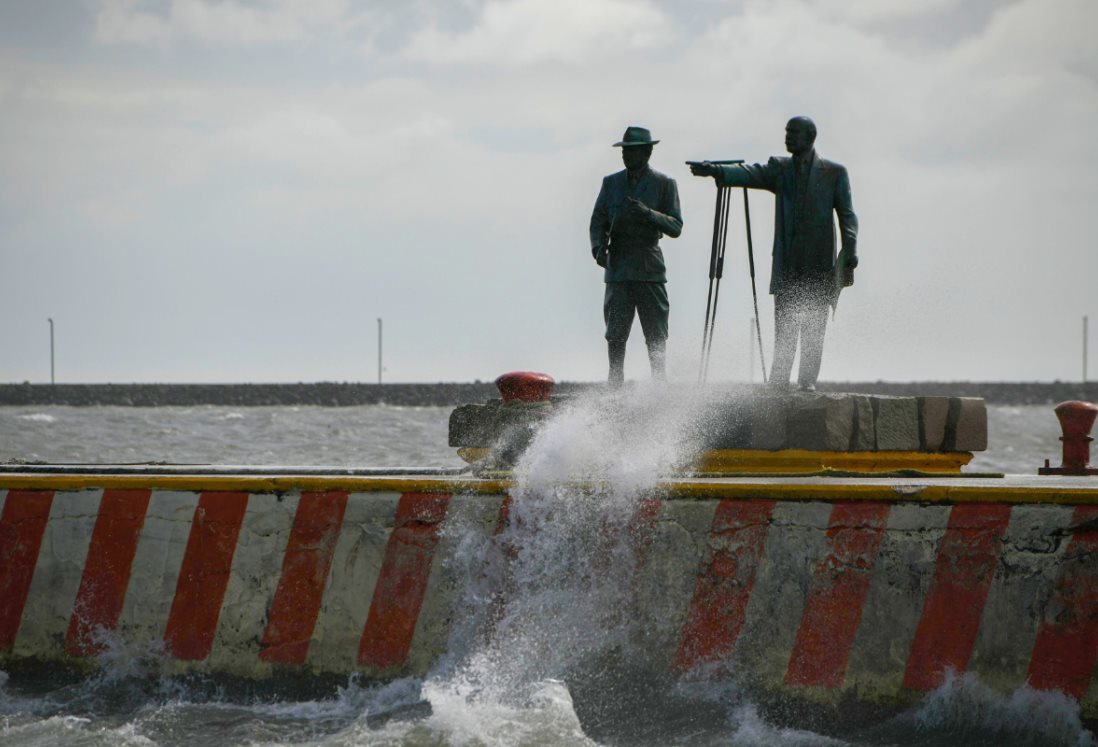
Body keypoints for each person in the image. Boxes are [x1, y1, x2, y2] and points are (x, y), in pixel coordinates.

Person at [690, 116, 858, 391]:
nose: (788, 137)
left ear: (810, 136)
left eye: (793, 133)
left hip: (819, 263)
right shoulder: (780, 169)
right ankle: (779, 380)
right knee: (785, 326)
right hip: (789, 262)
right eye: (787, 132)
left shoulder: (834, 173)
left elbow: (848, 215)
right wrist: (717, 171)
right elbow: (749, 173)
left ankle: (807, 383)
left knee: (814, 328)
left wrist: (850, 246)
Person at [590, 126, 683, 387]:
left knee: (656, 331)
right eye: (624, 150)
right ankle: (615, 380)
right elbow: (597, 220)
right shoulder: (611, 183)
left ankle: (659, 381)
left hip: (649, 265)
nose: (626, 155)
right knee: (615, 332)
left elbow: (676, 226)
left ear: (647, 152)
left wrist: (649, 214)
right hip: (618, 265)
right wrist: (598, 248)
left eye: (632, 151)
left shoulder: (664, 184)